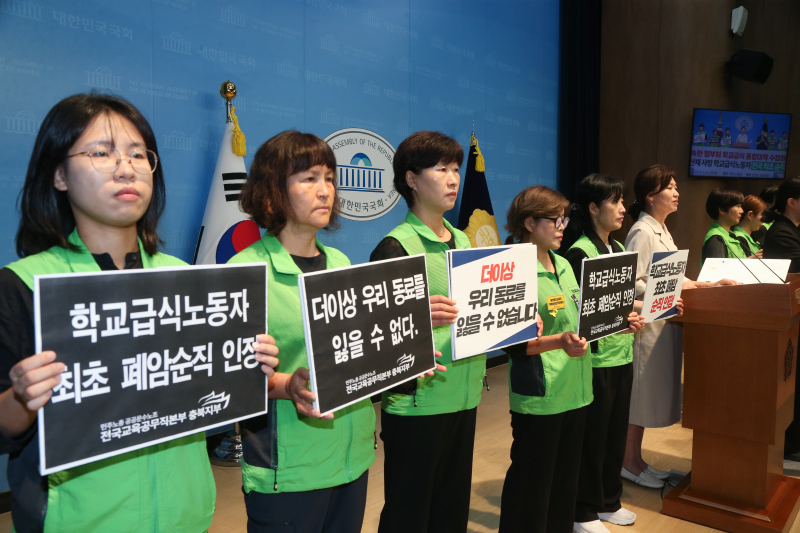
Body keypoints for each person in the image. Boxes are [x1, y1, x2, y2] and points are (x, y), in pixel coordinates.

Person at [0, 93, 263, 531]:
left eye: (138, 154)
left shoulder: (183, 278)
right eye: (100, 152)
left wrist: (244, 367)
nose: (126, 167)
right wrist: (23, 397)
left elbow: (206, 404)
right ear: (60, 175)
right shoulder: (23, 284)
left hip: (187, 513)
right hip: (79, 519)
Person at [227, 131, 378, 533]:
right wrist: (284, 384)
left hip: (351, 458)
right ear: (273, 193)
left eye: (329, 177)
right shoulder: (245, 272)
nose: (324, 190)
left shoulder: (342, 262)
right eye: (308, 178)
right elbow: (224, 379)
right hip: (289, 469)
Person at [498, 186, 640, 533]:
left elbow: (580, 321)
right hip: (541, 396)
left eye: (564, 219)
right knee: (532, 488)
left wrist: (617, 324)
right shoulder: (512, 268)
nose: (563, 226)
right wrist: (558, 341)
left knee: (564, 486)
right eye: (554, 220)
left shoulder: (562, 264)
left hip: (576, 392)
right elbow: (514, 344)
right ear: (529, 222)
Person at [369, 131, 487, 533]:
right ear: (412, 180)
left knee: (451, 508)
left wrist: (518, 320)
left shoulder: (464, 240)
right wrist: (417, 314)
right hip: (418, 403)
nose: (454, 179)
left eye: (456, 169)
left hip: (464, 394)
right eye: (441, 169)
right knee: (409, 510)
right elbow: (374, 335)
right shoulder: (395, 246)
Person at [622, 164, 737, 489]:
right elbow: (632, 283)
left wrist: (705, 285)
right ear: (649, 195)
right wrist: (674, 289)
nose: (676, 192)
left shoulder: (661, 228)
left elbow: (670, 276)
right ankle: (627, 461)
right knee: (639, 397)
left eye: (675, 187)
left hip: (664, 322)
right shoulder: (642, 231)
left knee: (646, 399)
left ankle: (637, 459)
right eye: (669, 187)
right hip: (647, 326)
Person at [564, 175, 646, 533]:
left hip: (622, 354)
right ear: (594, 208)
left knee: (614, 435)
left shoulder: (615, 249)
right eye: (616, 202)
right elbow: (585, 311)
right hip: (594, 361)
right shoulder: (579, 252)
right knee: (592, 439)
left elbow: (620, 302)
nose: (624, 209)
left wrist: (643, 310)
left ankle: (609, 502)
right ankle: (583, 510)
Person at [763, 177, 800, 457]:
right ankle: (791, 444)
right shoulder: (781, 232)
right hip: (787, 317)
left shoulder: (794, 229)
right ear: (792, 202)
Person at [701, 188, 748, 263]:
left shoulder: (730, 235)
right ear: (722, 210)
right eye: (738, 206)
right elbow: (718, 271)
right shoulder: (716, 239)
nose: (742, 211)